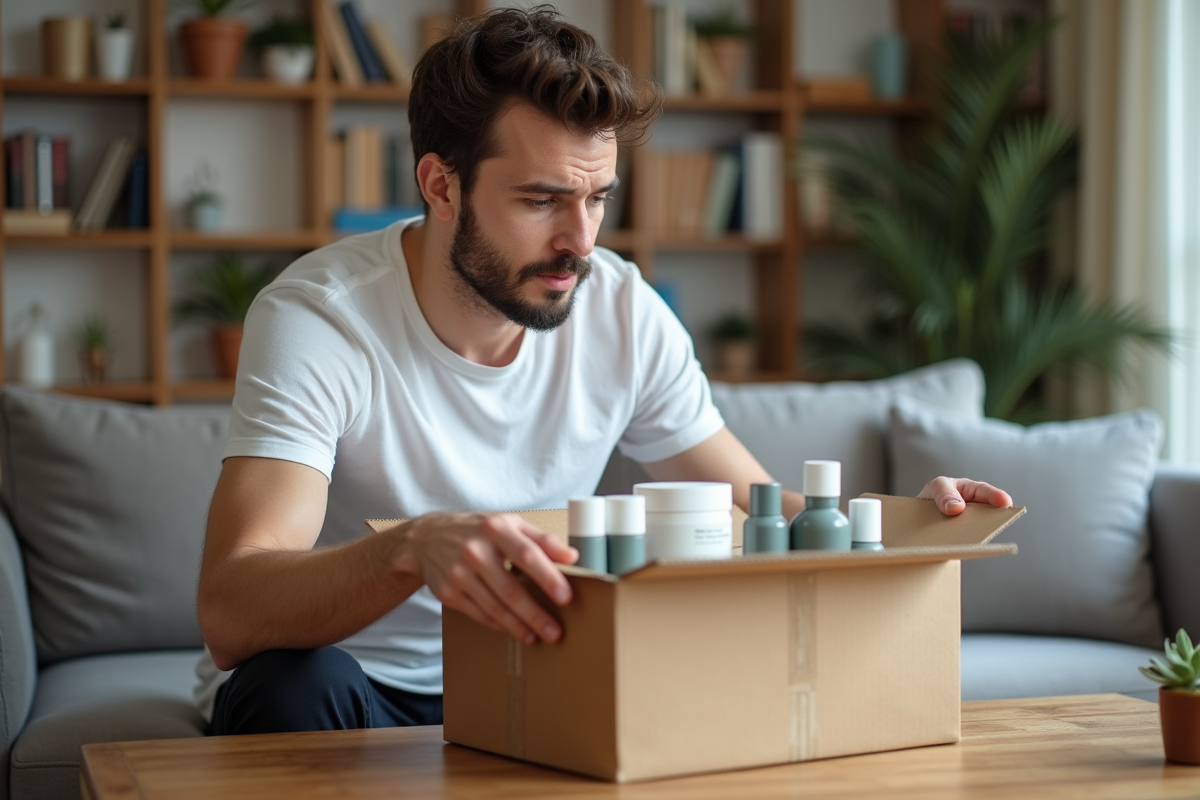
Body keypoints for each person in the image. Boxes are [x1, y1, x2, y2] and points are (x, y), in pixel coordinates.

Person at [194, 6, 1012, 735]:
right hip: (357, 686)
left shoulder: (623, 309)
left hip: (547, 671)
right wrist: (411, 549)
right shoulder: (321, 318)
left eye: (597, 199)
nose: (580, 242)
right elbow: (233, 609)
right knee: (294, 686)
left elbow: (765, 514)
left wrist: (905, 521)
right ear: (441, 186)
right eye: (542, 200)